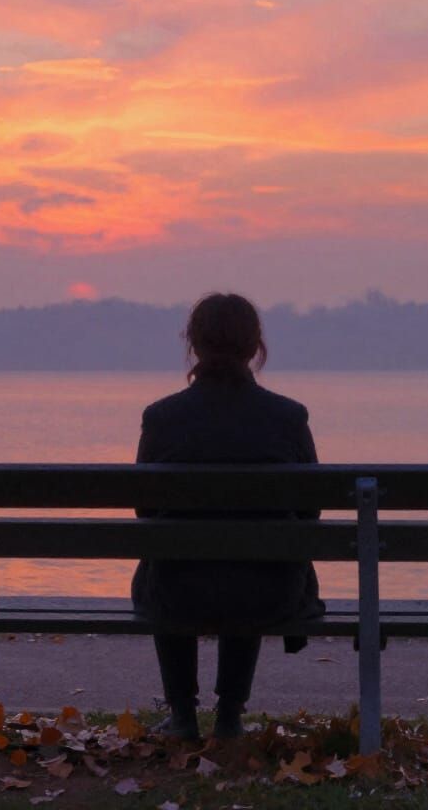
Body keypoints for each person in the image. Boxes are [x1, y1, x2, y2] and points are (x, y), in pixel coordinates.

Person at [131, 292, 325, 740]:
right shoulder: (288, 417)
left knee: (171, 556)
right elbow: (309, 510)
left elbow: (145, 512)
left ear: (193, 345)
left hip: (178, 593)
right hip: (269, 595)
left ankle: (182, 716)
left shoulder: (162, 418)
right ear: (255, 346)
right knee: (257, 555)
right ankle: (230, 716)